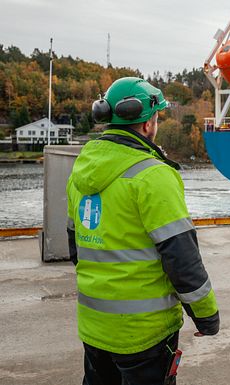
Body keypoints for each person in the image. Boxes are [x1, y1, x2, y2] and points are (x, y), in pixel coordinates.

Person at [66, 77, 219, 385]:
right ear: (149, 123)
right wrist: (205, 315)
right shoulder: (153, 175)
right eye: (157, 116)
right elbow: (181, 257)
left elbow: (75, 248)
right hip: (144, 331)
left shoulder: (80, 172)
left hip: (94, 325)